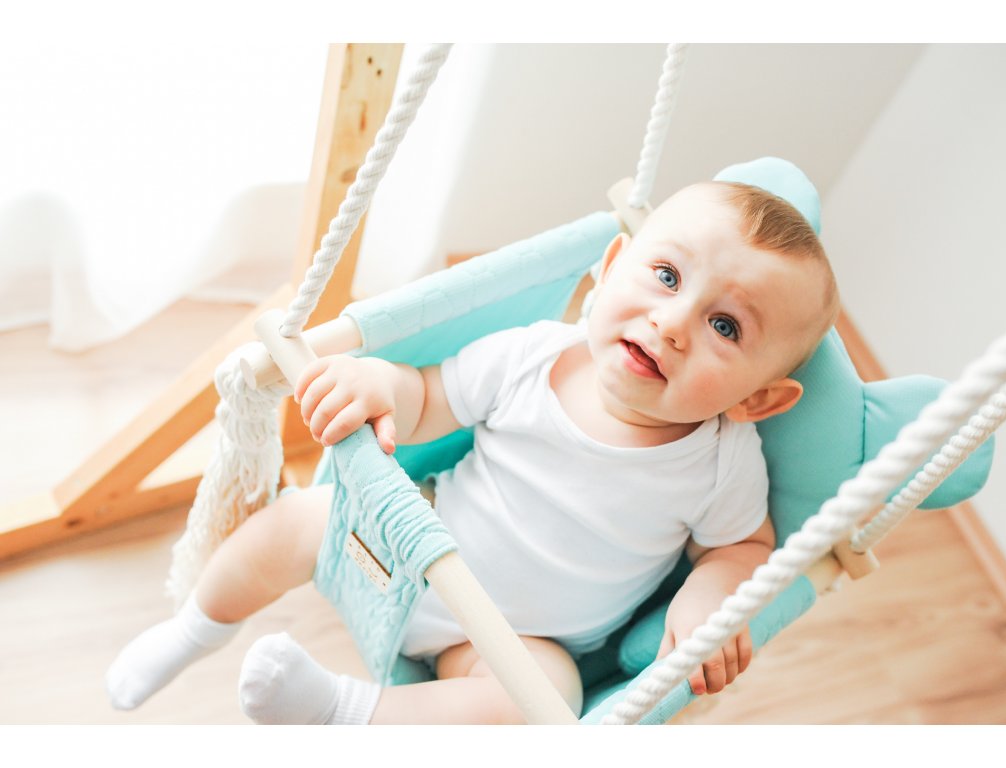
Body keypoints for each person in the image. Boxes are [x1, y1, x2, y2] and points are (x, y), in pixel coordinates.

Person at [106, 179, 840, 724]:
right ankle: (193, 629)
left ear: (757, 400)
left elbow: (742, 546)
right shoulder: (534, 358)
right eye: (668, 277)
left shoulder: (721, 461)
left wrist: (711, 597)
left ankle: (339, 712)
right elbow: (429, 398)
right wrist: (378, 383)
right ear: (613, 265)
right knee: (304, 517)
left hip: (514, 640)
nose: (673, 322)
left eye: (725, 326)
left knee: (548, 698)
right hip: (402, 548)